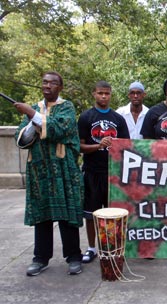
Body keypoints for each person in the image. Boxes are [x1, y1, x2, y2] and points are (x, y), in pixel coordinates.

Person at [14, 71, 84, 276]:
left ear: (60, 87)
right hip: (40, 169)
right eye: (44, 82)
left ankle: (73, 256)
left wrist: (33, 116)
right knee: (42, 215)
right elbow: (21, 138)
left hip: (63, 169)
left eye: (53, 83)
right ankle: (40, 258)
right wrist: (32, 120)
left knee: (67, 214)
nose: (47, 86)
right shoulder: (35, 108)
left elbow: (59, 129)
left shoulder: (67, 107)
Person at [78, 81, 130, 264]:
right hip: (92, 172)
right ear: (94, 93)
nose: (103, 96)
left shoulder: (118, 119)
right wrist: (98, 145)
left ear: (111, 95)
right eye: (100, 93)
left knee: (113, 214)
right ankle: (91, 248)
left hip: (112, 174)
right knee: (91, 214)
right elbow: (79, 146)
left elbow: (126, 146)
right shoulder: (86, 117)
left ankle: (112, 247)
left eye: (107, 93)